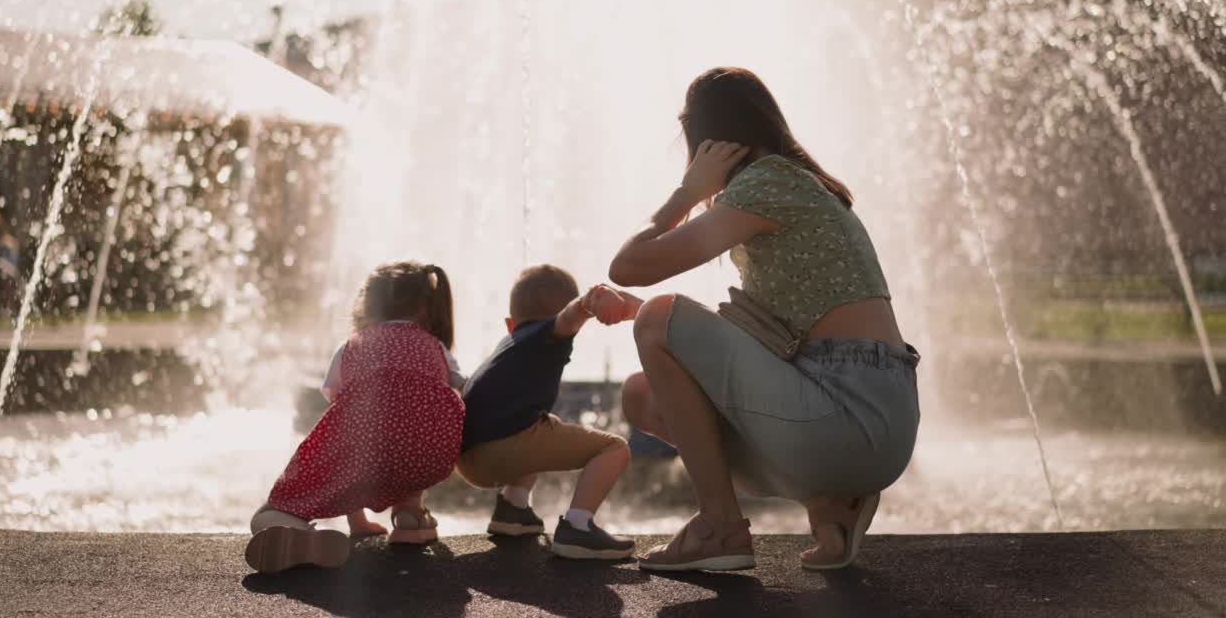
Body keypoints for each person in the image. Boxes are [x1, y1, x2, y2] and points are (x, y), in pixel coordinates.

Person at [609, 67, 920, 572]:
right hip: (872, 418)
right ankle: (830, 505)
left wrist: (687, 192)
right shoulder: (801, 186)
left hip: (848, 412)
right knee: (643, 394)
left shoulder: (768, 180)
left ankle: (720, 527)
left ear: (708, 141)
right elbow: (763, 337)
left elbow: (630, 266)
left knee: (657, 317)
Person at [245, 261, 466, 573]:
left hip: (363, 457)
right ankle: (410, 515)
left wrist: (355, 517)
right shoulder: (436, 347)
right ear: (425, 306)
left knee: (266, 516)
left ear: (367, 302)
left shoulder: (352, 345)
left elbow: (340, 410)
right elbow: (464, 387)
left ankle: (303, 534)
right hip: (430, 458)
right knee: (413, 425)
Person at [458, 265, 640, 560]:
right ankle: (578, 527)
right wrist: (588, 303)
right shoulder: (544, 334)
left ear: (509, 323)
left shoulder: (509, 342)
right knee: (615, 448)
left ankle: (513, 508)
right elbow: (566, 319)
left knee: (543, 423)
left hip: (468, 458)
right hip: (503, 449)